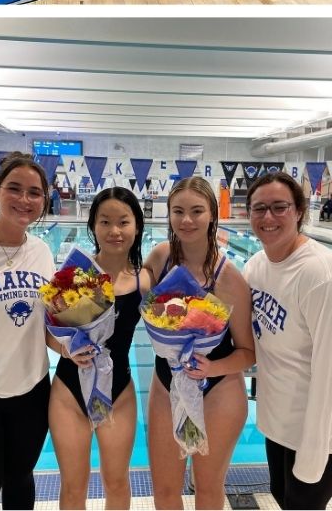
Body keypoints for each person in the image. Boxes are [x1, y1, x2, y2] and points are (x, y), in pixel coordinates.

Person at [141, 176, 255, 511]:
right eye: (178, 211)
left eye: (196, 211)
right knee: (164, 491)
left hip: (219, 389)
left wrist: (213, 366)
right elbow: (133, 286)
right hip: (166, 384)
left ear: (212, 214)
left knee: (207, 490)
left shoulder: (228, 276)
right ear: (169, 215)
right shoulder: (160, 257)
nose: (186, 220)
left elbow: (248, 353)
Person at [49, 188, 148, 511]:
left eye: (123, 222)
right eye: (105, 221)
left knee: (117, 482)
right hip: (69, 390)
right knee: (73, 487)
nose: (114, 231)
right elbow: (49, 333)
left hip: (118, 391)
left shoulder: (144, 281)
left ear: (137, 226)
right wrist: (66, 352)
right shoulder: (72, 277)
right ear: (92, 225)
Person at [0, 152, 55, 509]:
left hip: (32, 387)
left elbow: (51, 323)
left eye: (34, 193)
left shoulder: (44, 252)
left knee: (21, 479)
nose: (24, 199)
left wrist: (72, 348)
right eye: (14, 189)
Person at [243, 171, 332, 509]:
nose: (268, 217)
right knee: (283, 499)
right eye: (259, 208)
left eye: (279, 207)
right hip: (278, 422)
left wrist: (314, 454)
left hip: (319, 432)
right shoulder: (257, 265)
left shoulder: (319, 274)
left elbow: (329, 371)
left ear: (299, 211)